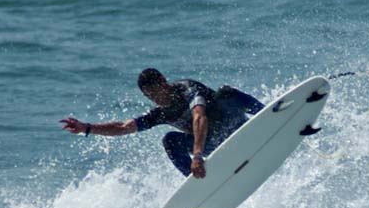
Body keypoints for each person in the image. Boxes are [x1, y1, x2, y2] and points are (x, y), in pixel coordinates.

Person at [60, 68, 264, 178]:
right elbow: (123, 127)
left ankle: (272, 113)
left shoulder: (188, 89)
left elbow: (199, 116)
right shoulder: (160, 113)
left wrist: (198, 154)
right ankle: (198, 183)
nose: (156, 99)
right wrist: (87, 128)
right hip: (214, 144)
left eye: (156, 92)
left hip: (233, 124)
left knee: (227, 93)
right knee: (170, 140)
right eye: (150, 96)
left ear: (164, 82)